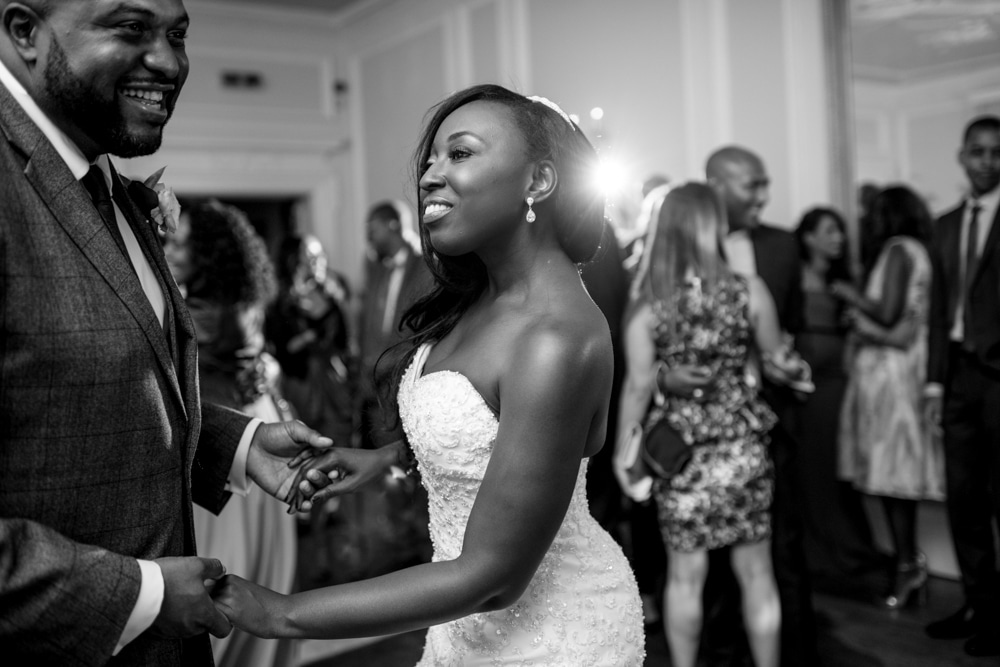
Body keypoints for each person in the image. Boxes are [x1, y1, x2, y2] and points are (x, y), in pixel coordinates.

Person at [211, 84, 646, 666]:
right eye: (430, 160)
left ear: (537, 182)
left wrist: (281, 614)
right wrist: (388, 459)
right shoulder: (479, 301)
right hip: (461, 625)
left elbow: (493, 578)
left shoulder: (555, 339)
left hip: (550, 635)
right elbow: (496, 439)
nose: (429, 177)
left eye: (460, 154)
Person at [0, 2, 331, 664]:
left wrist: (235, 444)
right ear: (25, 33)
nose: (171, 62)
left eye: (178, 34)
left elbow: (82, 390)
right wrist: (141, 595)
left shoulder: (108, 185)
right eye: (129, 29)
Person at [618, 183, 788, 667]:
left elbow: (635, 386)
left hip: (682, 454)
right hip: (742, 448)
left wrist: (623, 455)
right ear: (713, 226)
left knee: (685, 577)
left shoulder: (651, 303)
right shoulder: (748, 290)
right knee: (757, 574)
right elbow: (776, 360)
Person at [694, 145, 817, 666]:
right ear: (718, 185)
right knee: (708, 555)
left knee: (781, 545)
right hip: (702, 427)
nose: (764, 197)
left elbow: (793, 323)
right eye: (753, 185)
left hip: (770, 421)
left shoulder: (784, 245)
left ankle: (795, 652)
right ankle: (722, 649)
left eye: (766, 184)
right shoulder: (687, 245)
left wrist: (787, 365)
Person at [164, 201, 300, 667]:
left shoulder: (201, 308)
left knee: (224, 561)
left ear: (208, 252)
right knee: (254, 558)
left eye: (181, 242)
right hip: (247, 418)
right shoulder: (240, 296)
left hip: (226, 434)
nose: (170, 247)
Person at [833, 186, 944, 610]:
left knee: (892, 476)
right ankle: (907, 560)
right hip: (901, 371)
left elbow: (889, 313)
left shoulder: (899, 249)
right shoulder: (919, 250)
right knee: (893, 476)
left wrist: (850, 297)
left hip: (891, 377)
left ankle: (906, 564)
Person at [923, 115, 1000, 658]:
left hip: (999, 377)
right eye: (978, 152)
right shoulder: (945, 224)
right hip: (955, 378)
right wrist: (932, 383)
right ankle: (980, 606)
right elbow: (936, 310)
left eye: (997, 152)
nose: (987, 161)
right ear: (962, 156)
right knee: (965, 499)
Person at [792, 208, 880, 587]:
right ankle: (817, 552)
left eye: (841, 231)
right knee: (811, 471)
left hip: (837, 384)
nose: (839, 238)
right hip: (803, 388)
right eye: (830, 231)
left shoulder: (845, 281)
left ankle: (848, 549)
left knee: (836, 470)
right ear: (809, 237)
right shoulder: (792, 277)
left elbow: (873, 324)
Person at [358, 199, 433, 447]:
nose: (369, 238)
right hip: (376, 389)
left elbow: (425, 330)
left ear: (392, 225)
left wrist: (389, 361)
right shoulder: (376, 268)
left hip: (409, 379)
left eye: (373, 230)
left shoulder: (426, 266)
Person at [268, 234, 356, 446]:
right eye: (311, 255)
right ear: (294, 260)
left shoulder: (334, 291)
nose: (320, 260)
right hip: (300, 386)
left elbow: (346, 341)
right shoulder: (281, 300)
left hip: (334, 382)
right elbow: (281, 347)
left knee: (340, 441)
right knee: (304, 444)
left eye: (320, 254)